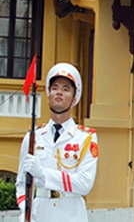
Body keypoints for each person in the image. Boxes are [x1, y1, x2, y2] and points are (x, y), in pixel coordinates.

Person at [15, 62, 99, 222]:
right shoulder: (33, 137)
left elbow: (84, 184)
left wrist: (42, 173)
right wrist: (25, 211)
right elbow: (21, 183)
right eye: (54, 88)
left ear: (74, 98)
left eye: (66, 89)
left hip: (71, 213)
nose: (59, 92)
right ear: (48, 96)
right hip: (39, 213)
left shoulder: (86, 138)